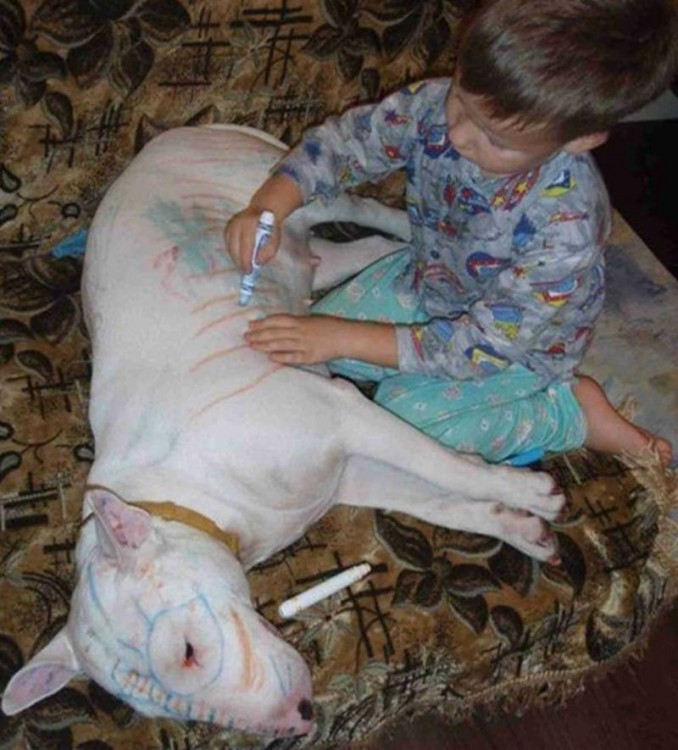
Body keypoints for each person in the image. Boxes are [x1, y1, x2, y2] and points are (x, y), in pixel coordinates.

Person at [226, 0, 676, 466]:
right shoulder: (437, 104)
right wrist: (268, 206)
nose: (459, 134)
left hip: (517, 351)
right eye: (459, 98)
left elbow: (476, 346)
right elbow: (349, 143)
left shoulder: (567, 229)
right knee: (308, 339)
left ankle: (567, 411)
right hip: (430, 280)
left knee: (401, 422)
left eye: (495, 139)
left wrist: (340, 336)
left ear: (578, 139)